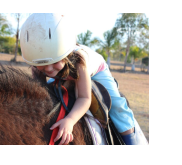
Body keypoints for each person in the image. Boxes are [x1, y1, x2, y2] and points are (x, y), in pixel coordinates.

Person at [19, 13, 148, 145]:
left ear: (67, 54)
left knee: (117, 106)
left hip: (96, 70)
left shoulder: (80, 63)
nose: (49, 69)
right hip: (65, 72)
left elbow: (84, 98)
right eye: (42, 65)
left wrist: (70, 120)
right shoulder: (37, 62)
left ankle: (132, 141)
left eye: (55, 61)